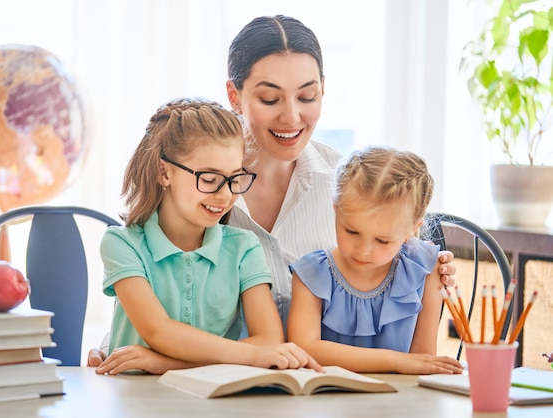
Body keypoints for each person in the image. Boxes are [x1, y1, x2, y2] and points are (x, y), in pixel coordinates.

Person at [88, 14, 456, 367]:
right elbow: (159, 290)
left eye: (307, 97)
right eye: (270, 99)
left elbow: (396, 252)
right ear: (234, 94)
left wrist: (428, 269)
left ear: (323, 92)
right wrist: (120, 346)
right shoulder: (197, 189)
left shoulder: (350, 186)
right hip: (228, 375)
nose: (291, 117)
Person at [93, 97, 321, 376]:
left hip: (214, 395)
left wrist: (166, 364)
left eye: (235, 178)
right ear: (164, 172)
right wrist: (253, 355)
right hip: (132, 393)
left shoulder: (243, 247)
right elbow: (158, 331)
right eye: (210, 179)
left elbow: (269, 340)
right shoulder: (122, 243)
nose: (226, 195)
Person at [287, 146, 463, 375]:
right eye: (351, 231)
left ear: (413, 228)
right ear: (335, 209)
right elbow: (305, 348)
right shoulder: (311, 273)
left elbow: (423, 359)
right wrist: (395, 361)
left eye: (382, 240)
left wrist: (406, 364)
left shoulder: (427, 267)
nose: (364, 251)